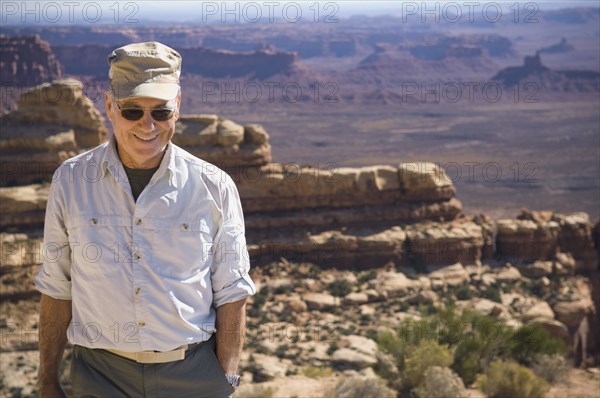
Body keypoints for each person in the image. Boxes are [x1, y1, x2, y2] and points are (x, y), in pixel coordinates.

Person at [34, 41, 256, 397]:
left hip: (193, 374)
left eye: (161, 112)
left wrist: (225, 379)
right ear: (109, 105)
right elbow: (57, 287)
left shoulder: (213, 186)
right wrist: (47, 381)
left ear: (178, 107)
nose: (147, 125)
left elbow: (233, 289)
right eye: (132, 111)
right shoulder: (71, 180)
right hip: (100, 375)